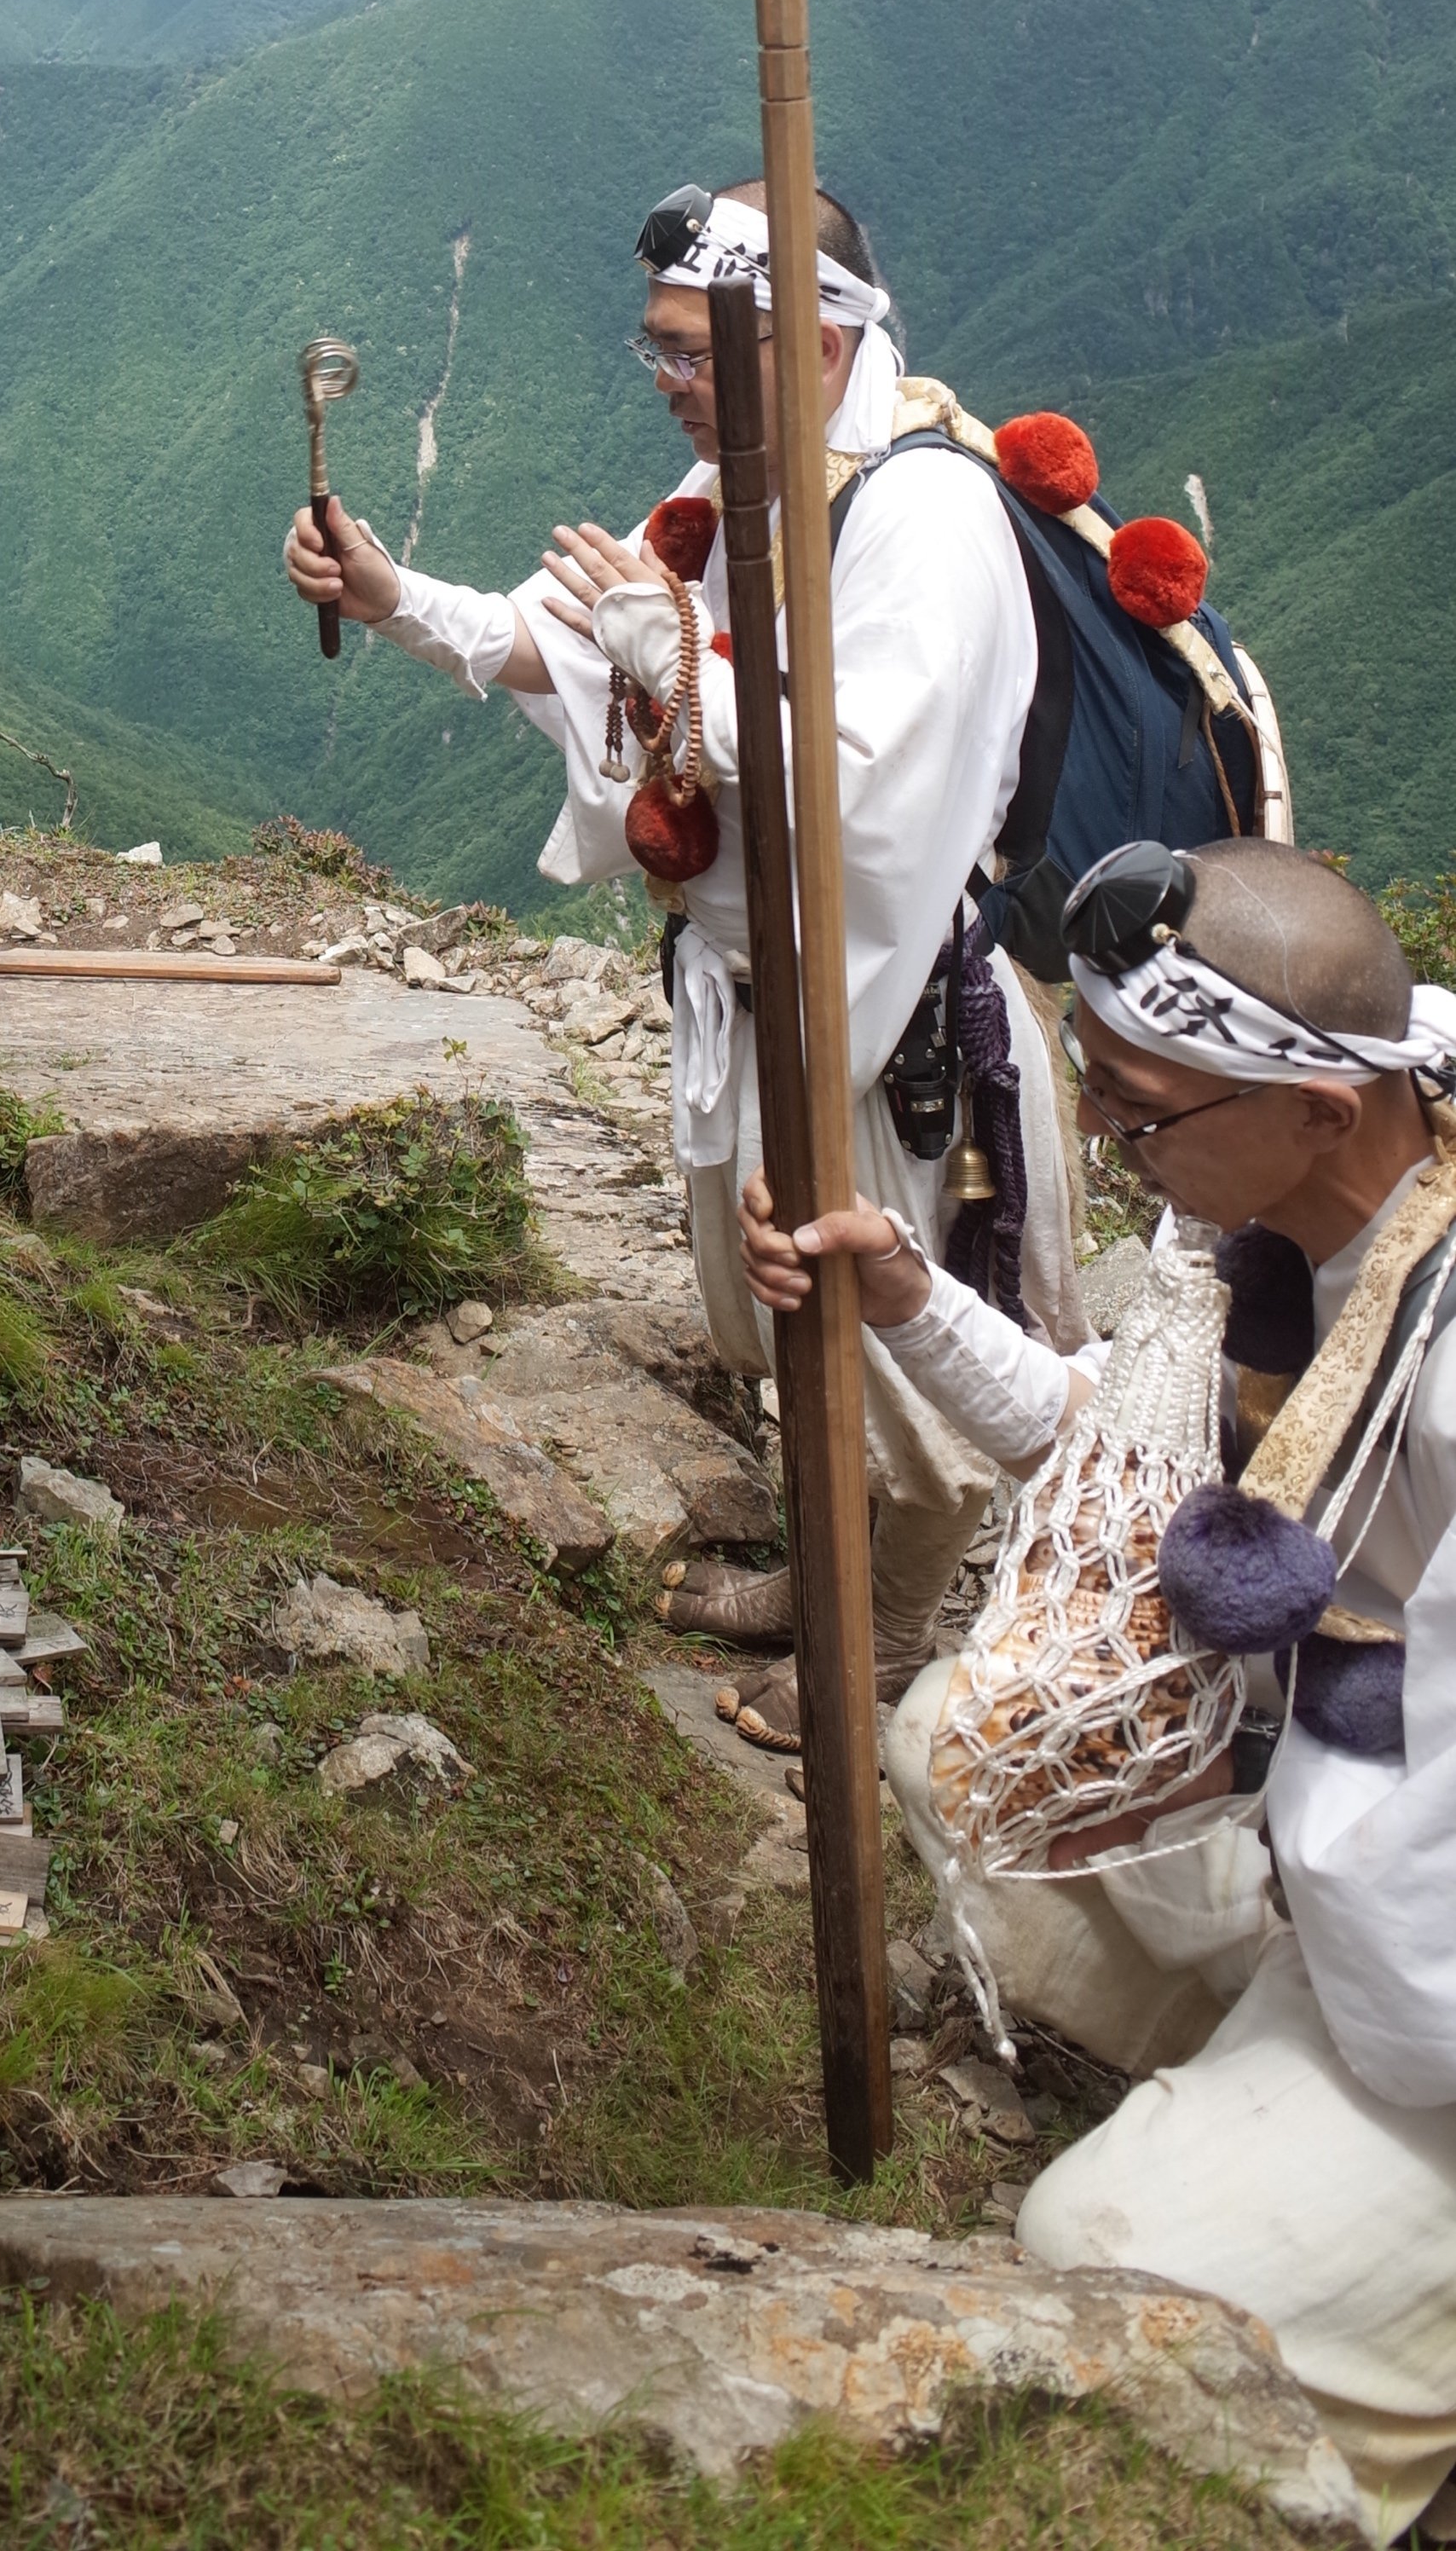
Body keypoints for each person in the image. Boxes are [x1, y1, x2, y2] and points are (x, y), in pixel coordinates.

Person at [286, 177, 1075, 1739]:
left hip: (880, 1018)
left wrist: (678, 658)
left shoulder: (926, 520)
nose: (673, 380)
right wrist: (393, 600)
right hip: (749, 994)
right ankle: (814, 1569)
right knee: (778, 1310)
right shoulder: (740, 489)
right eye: (659, 350)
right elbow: (576, 639)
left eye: (700, 350)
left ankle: (886, 1648)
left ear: (821, 339)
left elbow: (863, 778)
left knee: (888, 1341)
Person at [742, 836, 1456, 2545]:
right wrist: (904, 1301)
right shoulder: (1282, 1226)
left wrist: (1316, 1904)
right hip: (1352, 1863)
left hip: (1433, 1966)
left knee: (1101, 2261)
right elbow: (1118, 1442)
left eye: (1138, 1111)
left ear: (1309, 1104)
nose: (1110, 1142)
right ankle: (1265, 2098)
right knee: (964, 1757)